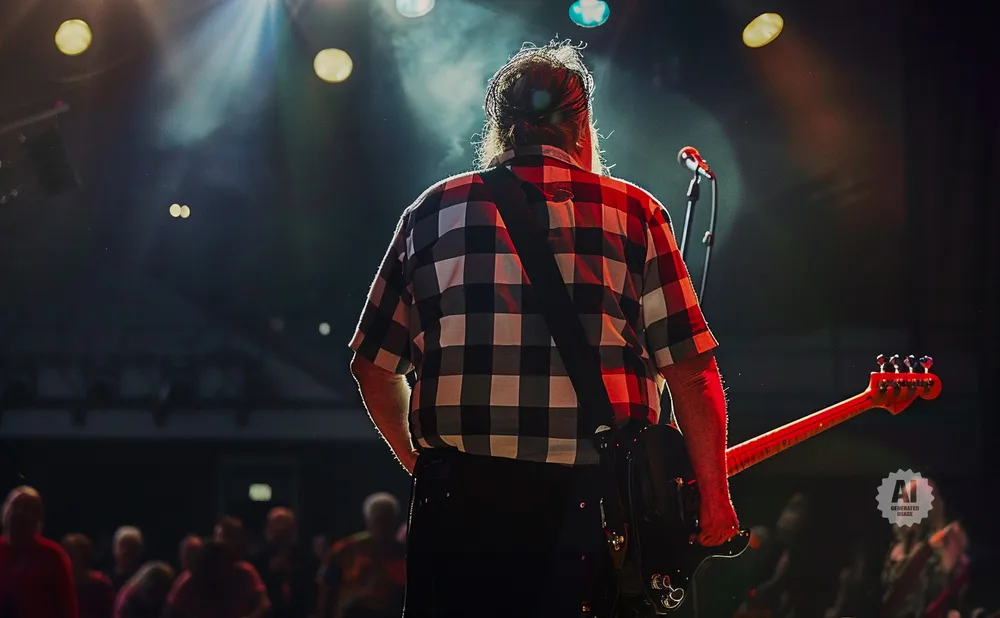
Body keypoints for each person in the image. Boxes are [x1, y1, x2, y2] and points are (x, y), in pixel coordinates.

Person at [348, 41, 737, 618]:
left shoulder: (430, 212)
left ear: (502, 128)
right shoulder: (636, 214)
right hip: (597, 509)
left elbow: (372, 366)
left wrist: (426, 466)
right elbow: (692, 373)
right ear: (581, 126)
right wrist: (714, 494)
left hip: (458, 512)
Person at [317, 493, 406, 618]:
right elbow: (327, 589)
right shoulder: (345, 550)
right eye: (378, 519)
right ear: (368, 519)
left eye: (387, 519)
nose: (383, 525)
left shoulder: (404, 552)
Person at [0, 486, 78, 618]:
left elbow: (67, 610)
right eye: (14, 506)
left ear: (38, 519)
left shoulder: (52, 557)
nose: (17, 513)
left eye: (26, 508)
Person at [165, 539, 270, 618]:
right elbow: (172, 612)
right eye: (213, 566)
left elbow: (264, 604)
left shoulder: (244, 573)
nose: (219, 571)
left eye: (222, 565)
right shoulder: (190, 582)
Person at [250, 508, 317, 618]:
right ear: (267, 530)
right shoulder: (256, 562)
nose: (280, 532)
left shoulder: (308, 561)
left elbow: (311, 596)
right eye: (276, 529)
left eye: (285, 530)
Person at [62, 533, 115, 618]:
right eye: (68, 555)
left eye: (74, 557)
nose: (71, 562)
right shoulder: (60, 586)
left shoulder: (100, 585)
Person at [107, 526, 144, 592]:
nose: (125, 551)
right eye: (123, 546)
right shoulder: (106, 577)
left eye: (131, 547)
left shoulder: (142, 579)